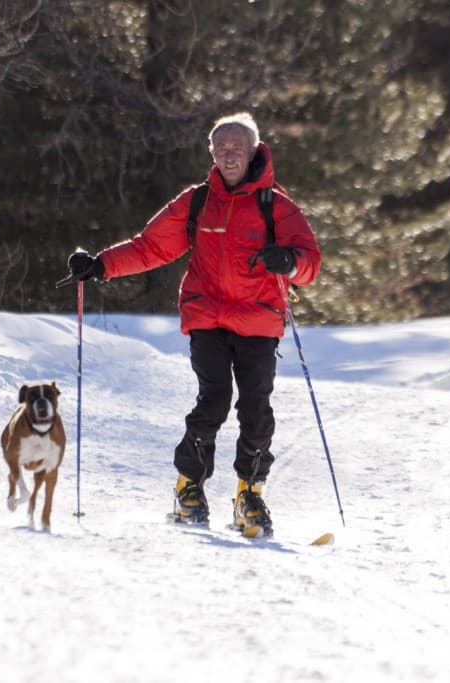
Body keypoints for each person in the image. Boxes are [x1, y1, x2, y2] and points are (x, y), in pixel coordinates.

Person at [65, 112, 321, 536]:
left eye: (236, 147)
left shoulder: (276, 205)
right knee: (214, 401)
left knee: (256, 408)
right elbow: (150, 247)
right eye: (220, 148)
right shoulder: (197, 201)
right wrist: (100, 265)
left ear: (255, 150)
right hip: (207, 316)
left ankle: (249, 493)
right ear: (212, 154)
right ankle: (189, 488)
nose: (228, 155)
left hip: (259, 320)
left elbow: (310, 263)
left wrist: (290, 261)